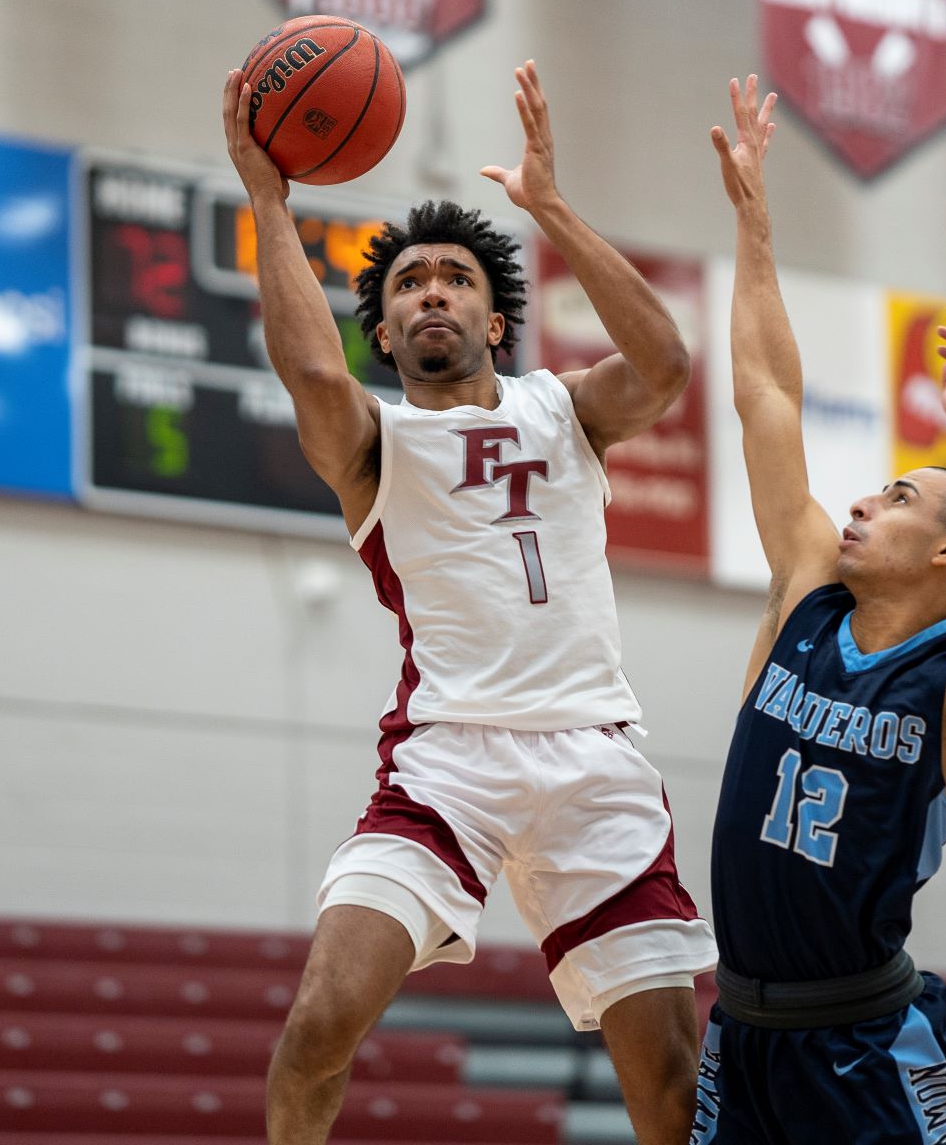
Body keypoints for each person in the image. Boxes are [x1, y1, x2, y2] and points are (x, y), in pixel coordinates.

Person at [220, 60, 716, 1144]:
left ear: (496, 322)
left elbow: (667, 362)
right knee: (317, 1024)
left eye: (454, 277)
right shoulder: (373, 443)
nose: (431, 289)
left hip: (597, 758)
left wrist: (549, 210)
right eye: (406, 285)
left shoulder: (566, 408)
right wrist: (269, 198)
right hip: (449, 762)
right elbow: (310, 375)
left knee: (675, 1089)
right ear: (385, 336)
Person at [689, 75, 946, 1144]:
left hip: (864, 1048)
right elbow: (767, 393)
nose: (860, 499)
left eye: (897, 495)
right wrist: (754, 223)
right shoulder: (808, 594)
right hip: (742, 1031)